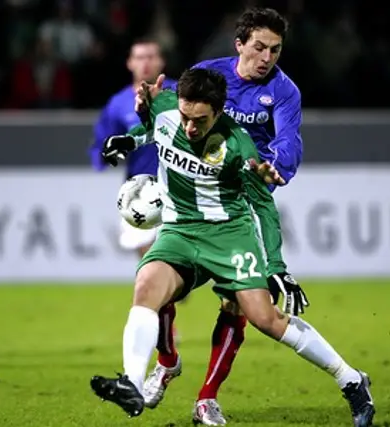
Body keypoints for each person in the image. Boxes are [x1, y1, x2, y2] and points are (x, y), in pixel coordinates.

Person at [90, 68, 375, 427]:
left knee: (266, 320)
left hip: (229, 234)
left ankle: (350, 379)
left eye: (200, 120)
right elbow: (154, 129)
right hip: (180, 229)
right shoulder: (165, 107)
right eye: (185, 117)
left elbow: (265, 206)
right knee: (146, 285)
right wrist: (129, 140)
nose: (190, 127)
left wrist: (276, 266)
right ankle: (132, 383)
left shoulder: (238, 146)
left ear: (220, 112)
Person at [138, 8, 310, 425]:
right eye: (259, 47)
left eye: (275, 49)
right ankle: (167, 360)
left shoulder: (285, 92)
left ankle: (207, 397)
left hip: (244, 201)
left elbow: (288, 142)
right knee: (159, 283)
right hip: (196, 197)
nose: (267, 57)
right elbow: (173, 116)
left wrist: (274, 167)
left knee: (238, 304)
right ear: (240, 44)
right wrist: (145, 112)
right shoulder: (207, 75)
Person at [89, 38, 176, 257]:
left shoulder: (180, 94)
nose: (145, 63)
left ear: (161, 62)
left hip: (181, 187)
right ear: (129, 63)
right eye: (139, 57)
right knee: (149, 261)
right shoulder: (118, 103)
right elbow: (103, 142)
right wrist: (104, 157)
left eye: (151, 56)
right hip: (142, 190)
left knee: (177, 264)